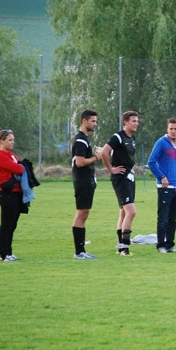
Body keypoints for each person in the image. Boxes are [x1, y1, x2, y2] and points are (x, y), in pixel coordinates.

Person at [101, 110, 139, 256]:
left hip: (129, 177)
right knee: (131, 212)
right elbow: (104, 152)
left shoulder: (132, 138)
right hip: (121, 179)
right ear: (125, 122)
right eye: (134, 121)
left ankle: (119, 245)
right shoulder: (118, 137)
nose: (137, 123)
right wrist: (111, 169)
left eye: (137, 121)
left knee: (123, 212)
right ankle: (125, 246)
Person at [148, 117, 176, 254]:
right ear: (167, 129)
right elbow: (151, 162)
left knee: (173, 219)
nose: (173, 131)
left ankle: (170, 244)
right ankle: (161, 245)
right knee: (163, 218)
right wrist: (162, 176)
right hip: (165, 187)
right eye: (171, 129)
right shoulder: (161, 143)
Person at [71, 110, 102, 260]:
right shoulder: (80, 140)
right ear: (84, 121)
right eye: (93, 121)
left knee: (84, 214)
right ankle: (79, 252)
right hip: (82, 182)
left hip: (87, 181)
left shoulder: (85, 139)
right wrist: (96, 157)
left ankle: (81, 250)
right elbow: (80, 162)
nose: (95, 124)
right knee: (81, 214)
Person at [0, 129, 26, 261]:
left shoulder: (10, 154)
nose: (13, 142)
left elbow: (19, 166)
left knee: (12, 224)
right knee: (6, 224)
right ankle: (4, 253)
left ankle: (8, 252)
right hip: (7, 194)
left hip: (15, 193)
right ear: (1, 141)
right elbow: (18, 168)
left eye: (13, 140)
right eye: (10, 140)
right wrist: (21, 168)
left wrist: (21, 167)